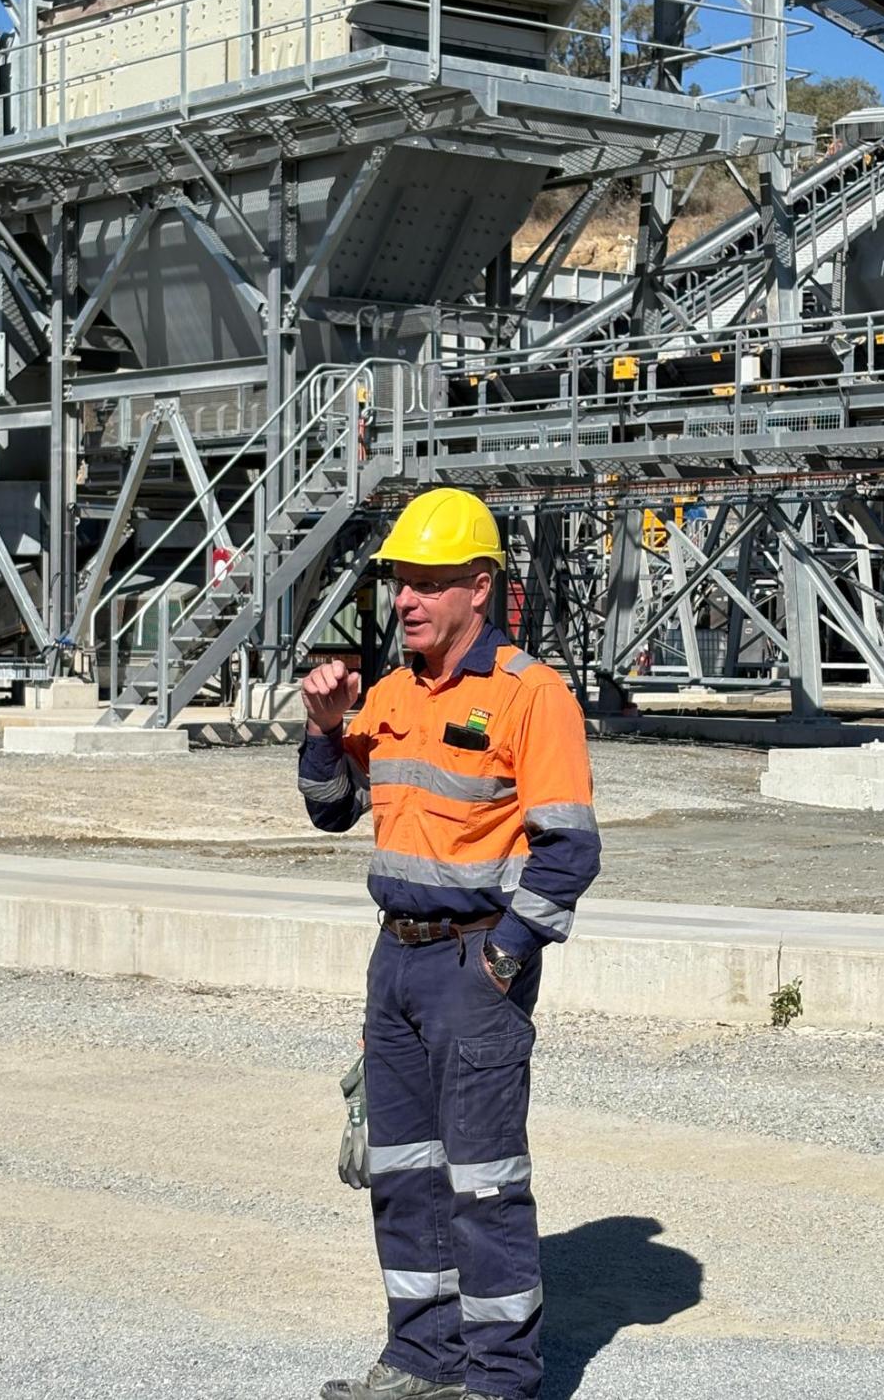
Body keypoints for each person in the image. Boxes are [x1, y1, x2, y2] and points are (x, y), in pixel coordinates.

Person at [298, 487, 601, 1400]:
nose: (407, 600)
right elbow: (330, 810)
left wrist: (505, 955)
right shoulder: (388, 694)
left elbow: (569, 846)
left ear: (479, 587)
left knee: (483, 1183)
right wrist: (322, 730)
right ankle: (420, 1358)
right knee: (403, 1175)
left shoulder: (529, 695)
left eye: (428, 583)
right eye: (400, 582)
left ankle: (500, 1378)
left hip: (475, 964)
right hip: (394, 961)